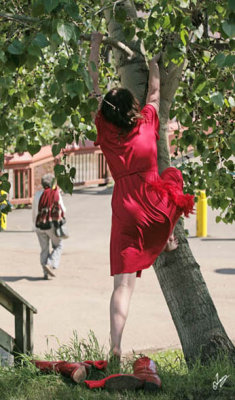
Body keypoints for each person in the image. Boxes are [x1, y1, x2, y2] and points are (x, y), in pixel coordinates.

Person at [89, 33, 194, 361]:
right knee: (174, 178)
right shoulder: (148, 123)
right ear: (132, 108)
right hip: (153, 205)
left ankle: (116, 346)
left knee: (122, 287)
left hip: (124, 208)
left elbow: (93, 85)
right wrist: (152, 60)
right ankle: (167, 240)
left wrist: (94, 46)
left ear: (107, 113)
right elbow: (154, 91)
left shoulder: (105, 131)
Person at [32, 173, 66, 280]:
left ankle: (45, 272)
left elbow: (34, 211)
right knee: (58, 245)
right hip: (52, 225)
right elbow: (63, 209)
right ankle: (50, 263)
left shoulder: (37, 195)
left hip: (39, 225)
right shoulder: (56, 194)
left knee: (44, 249)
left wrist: (34, 226)